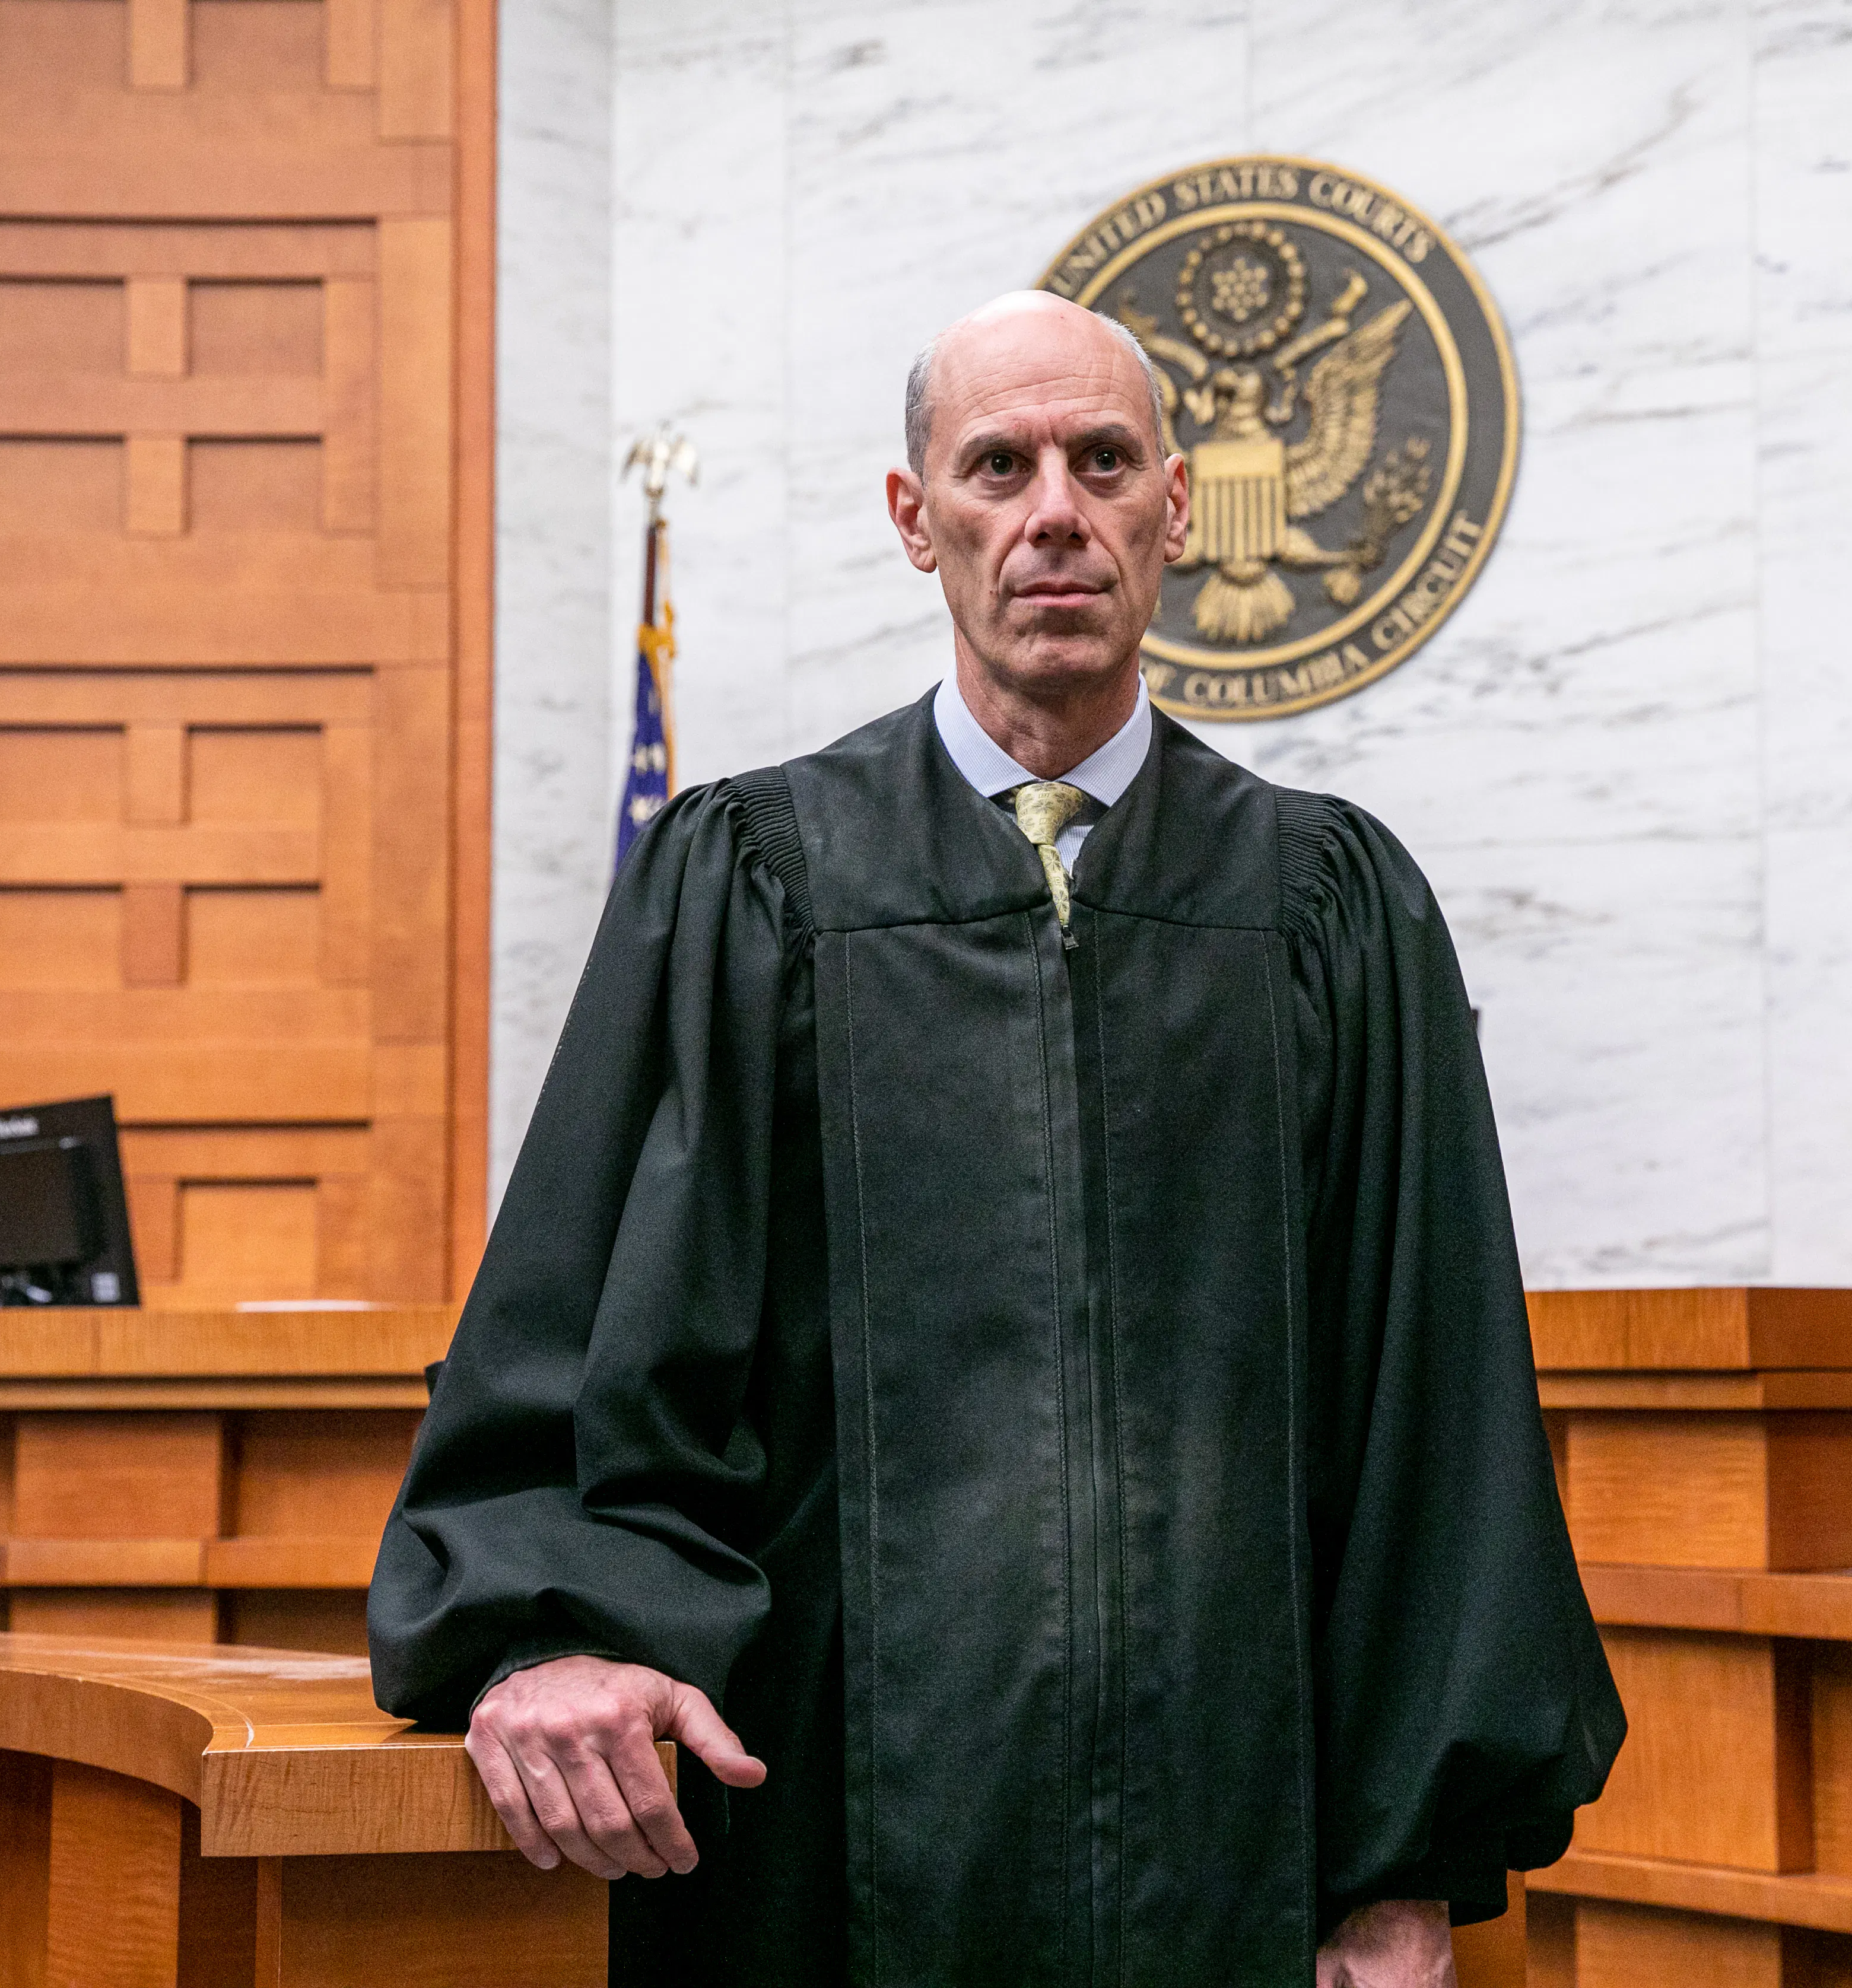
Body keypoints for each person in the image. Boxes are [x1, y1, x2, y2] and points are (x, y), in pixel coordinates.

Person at [369, 290, 1622, 1987]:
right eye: (998, 464)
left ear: (1174, 508)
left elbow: (1428, 1411)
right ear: (917, 517)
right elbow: (592, 1325)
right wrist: (559, 1627)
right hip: (826, 1843)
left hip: (1233, 1861)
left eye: (1103, 461)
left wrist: (1399, 1873)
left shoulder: (1327, 910)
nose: (1054, 511)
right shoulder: (759, 881)